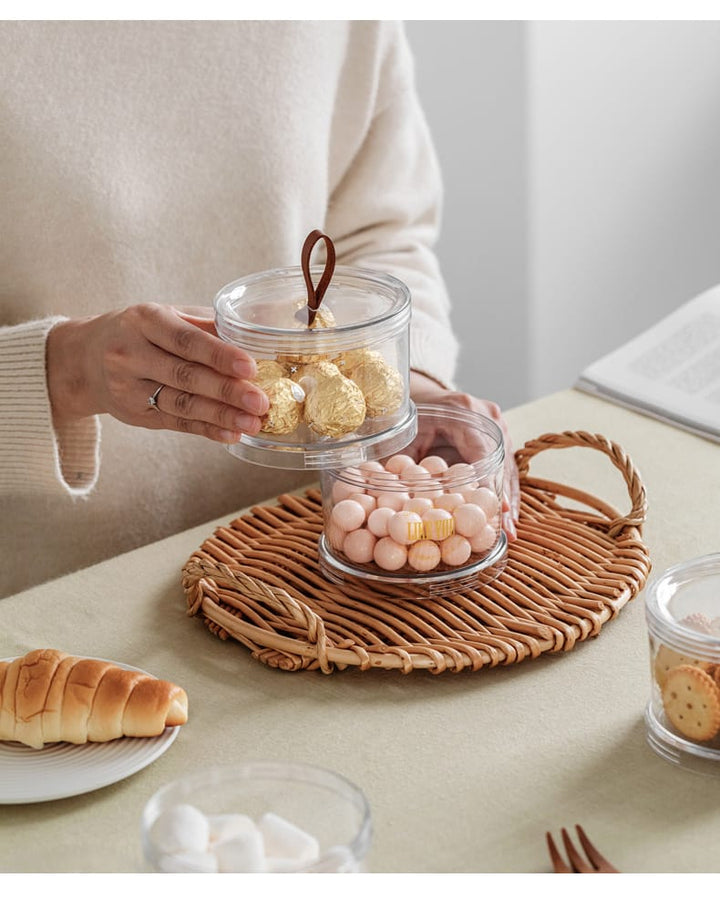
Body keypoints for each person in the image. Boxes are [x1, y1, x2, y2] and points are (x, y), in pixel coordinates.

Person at [0, 20, 519, 599]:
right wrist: (63, 373)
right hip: (52, 606)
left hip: (300, 581)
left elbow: (383, 232)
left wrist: (397, 385)